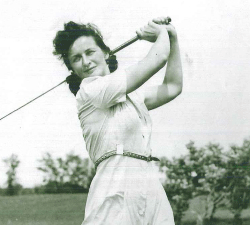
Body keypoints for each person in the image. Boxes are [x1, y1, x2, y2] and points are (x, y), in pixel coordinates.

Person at [53, 16, 182, 225]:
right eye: (76, 58)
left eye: (90, 52)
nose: (85, 62)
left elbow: (173, 86)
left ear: (105, 53)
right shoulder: (89, 91)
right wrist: (160, 33)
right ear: (73, 69)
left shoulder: (132, 96)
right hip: (114, 184)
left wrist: (173, 37)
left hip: (149, 184)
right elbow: (157, 58)